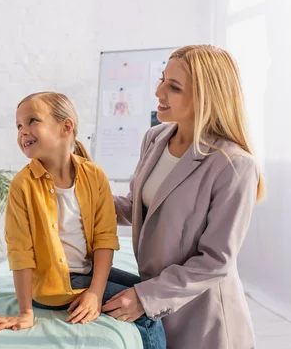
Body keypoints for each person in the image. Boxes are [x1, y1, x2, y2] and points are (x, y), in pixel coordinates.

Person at [104, 45, 264, 348]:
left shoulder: (234, 164)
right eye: (162, 79)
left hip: (203, 319)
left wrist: (145, 298)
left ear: (206, 96)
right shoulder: (154, 139)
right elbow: (138, 208)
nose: (158, 92)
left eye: (173, 87)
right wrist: (80, 198)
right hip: (157, 304)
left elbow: (216, 261)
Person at [0, 92, 166, 348]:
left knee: (150, 295)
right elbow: (20, 253)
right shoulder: (22, 186)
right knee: (147, 313)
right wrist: (26, 313)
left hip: (87, 273)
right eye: (18, 126)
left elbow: (105, 238)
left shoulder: (94, 175)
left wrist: (95, 291)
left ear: (65, 127)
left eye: (32, 121)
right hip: (53, 287)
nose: (22, 131)